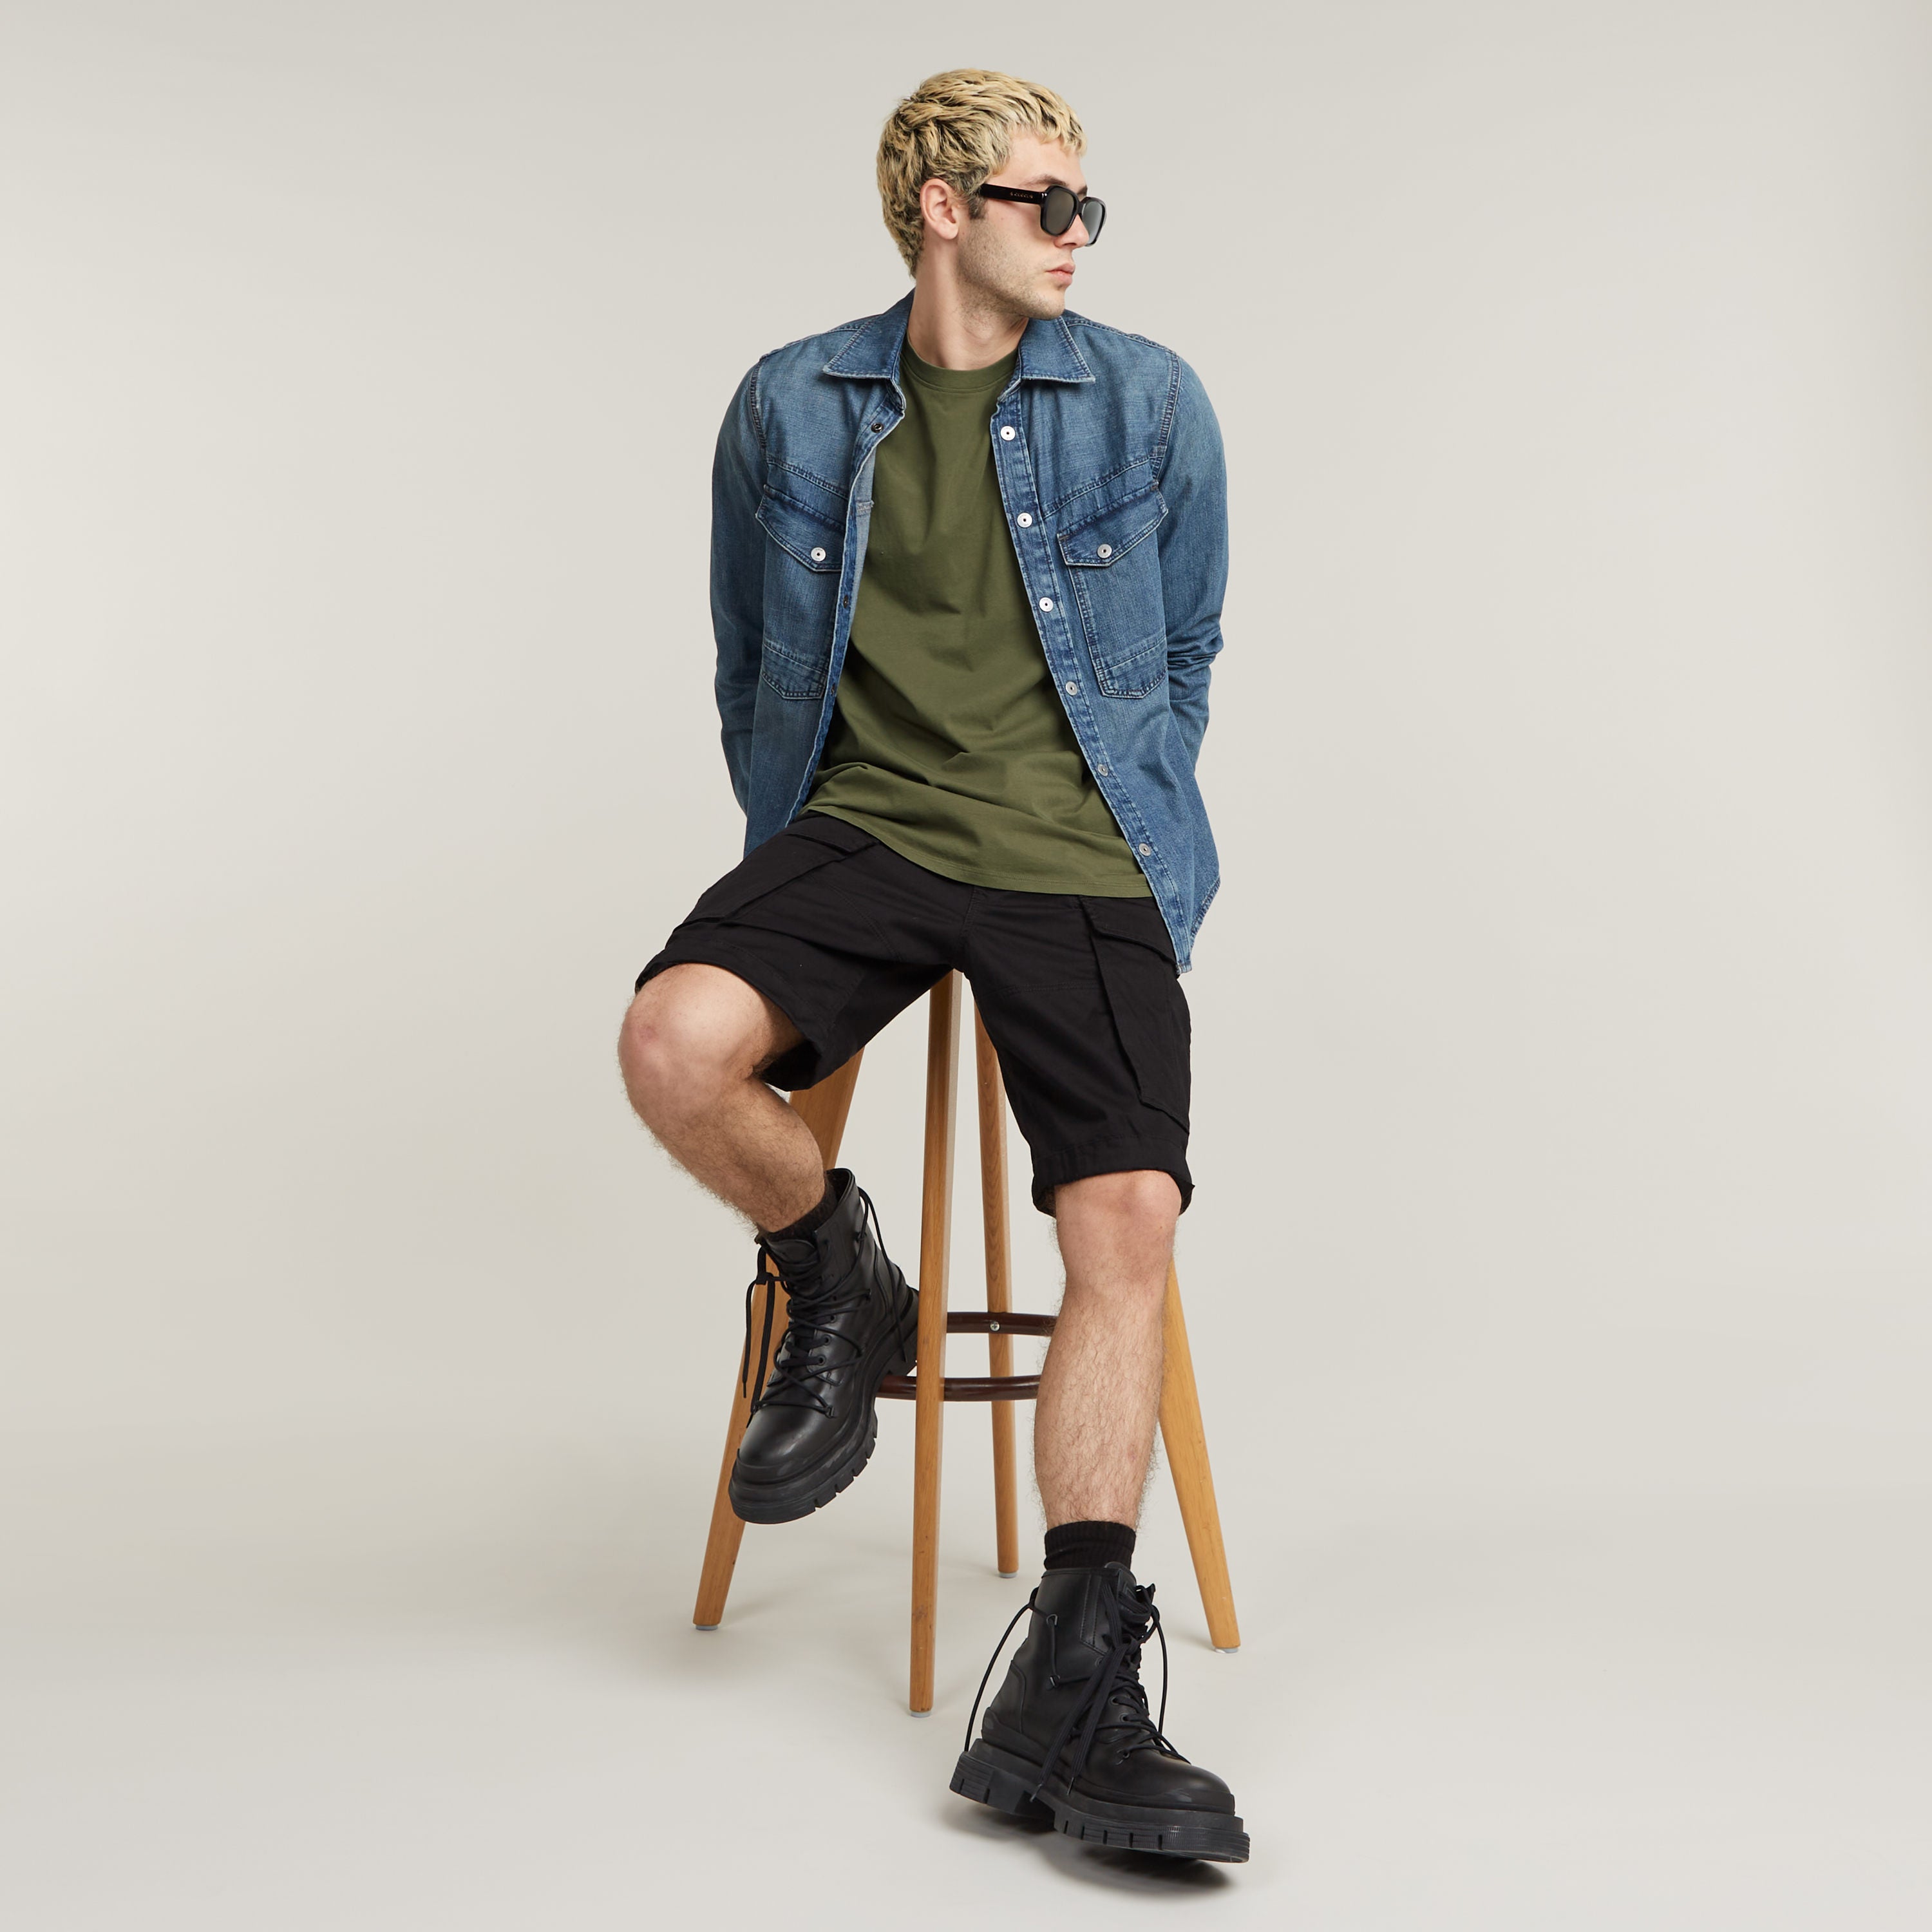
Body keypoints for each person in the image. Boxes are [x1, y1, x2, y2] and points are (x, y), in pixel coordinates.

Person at [618, 68, 1245, 1864]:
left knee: (1124, 1216)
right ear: (942, 210)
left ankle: (1077, 1669)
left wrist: (1122, 812)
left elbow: (1186, 650)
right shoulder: (792, 402)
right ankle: (839, 1270)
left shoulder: (1147, 397)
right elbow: (751, 653)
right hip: (867, 831)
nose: (1079, 233)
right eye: (1050, 201)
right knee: (672, 1042)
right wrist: (798, 839)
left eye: (1086, 203)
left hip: (1079, 852)